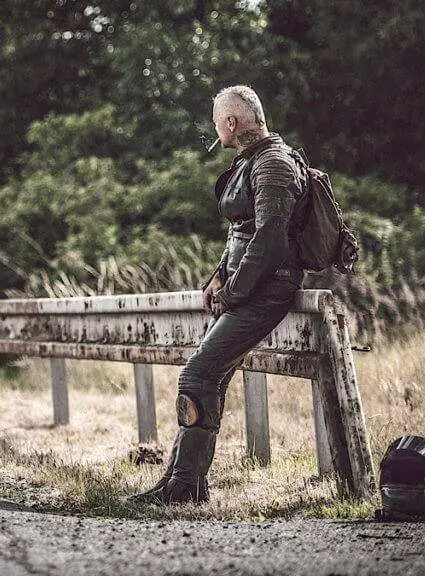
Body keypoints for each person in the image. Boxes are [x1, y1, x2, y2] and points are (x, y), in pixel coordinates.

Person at [130, 85, 307, 505]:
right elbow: (240, 234)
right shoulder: (253, 161)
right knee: (208, 377)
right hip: (249, 290)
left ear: (231, 123)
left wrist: (232, 292)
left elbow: (270, 238)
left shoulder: (274, 165)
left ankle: (184, 488)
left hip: (266, 292)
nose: (215, 130)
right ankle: (182, 483)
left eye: (217, 122)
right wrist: (216, 278)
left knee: (197, 374)